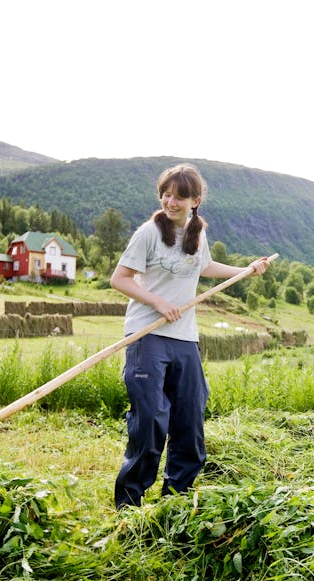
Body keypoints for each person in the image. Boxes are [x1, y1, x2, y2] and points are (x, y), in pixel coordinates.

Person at [110, 163, 269, 509]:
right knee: (151, 419)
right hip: (147, 334)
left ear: (195, 200)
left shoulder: (197, 233)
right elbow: (119, 278)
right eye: (165, 195)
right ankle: (128, 505)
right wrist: (158, 302)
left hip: (184, 338)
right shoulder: (149, 232)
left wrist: (245, 271)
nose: (170, 202)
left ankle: (175, 501)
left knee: (189, 419)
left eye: (178, 197)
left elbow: (206, 266)